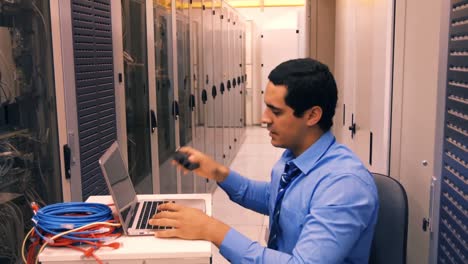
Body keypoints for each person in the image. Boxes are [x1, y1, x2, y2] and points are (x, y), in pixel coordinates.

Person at [149, 58, 379, 263]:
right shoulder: (294, 156)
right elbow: (275, 198)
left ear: (312, 115)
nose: (263, 119)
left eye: (276, 112)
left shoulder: (344, 185)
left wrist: (212, 230)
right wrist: (218, 172)